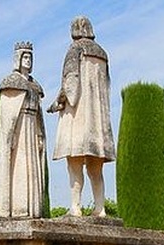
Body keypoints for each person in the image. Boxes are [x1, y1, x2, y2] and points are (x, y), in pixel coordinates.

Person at [47, 15, 115, 217]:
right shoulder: (102, 53)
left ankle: (75, 207)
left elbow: (71, 84)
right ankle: (100, 208)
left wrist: (58, 102)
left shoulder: (75, 49)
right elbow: (107, 86)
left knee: (74, 163)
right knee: (96, 168)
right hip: (98, 119)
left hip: (79, 117)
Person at [0, 42, 47, 218]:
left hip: (31, 126)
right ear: (18, 59)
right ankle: (18, 207)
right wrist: (11, 136)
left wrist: (39, 134)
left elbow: (38, 115)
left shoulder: (35, 85)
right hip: (20, 129)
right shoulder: (11, 83)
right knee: (19, 166)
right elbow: (8, 116)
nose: (28, 61)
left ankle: (32, 208)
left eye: (30, 57)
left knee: (32, 167)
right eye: (25, 57)